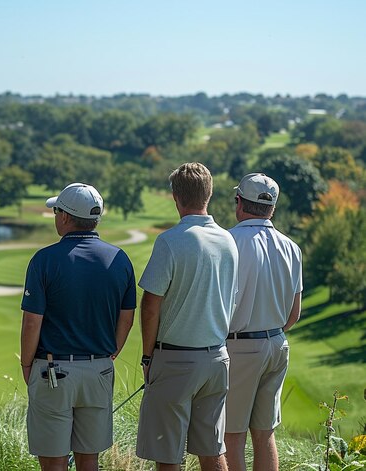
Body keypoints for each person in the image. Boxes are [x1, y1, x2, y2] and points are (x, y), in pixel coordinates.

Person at [20, 182, 136, 471]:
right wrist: (112, 353)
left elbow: (32, 322)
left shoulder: (44, 260)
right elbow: (127, 316)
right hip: (99, 369)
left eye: (56, 210)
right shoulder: (119, 259)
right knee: (89, 460)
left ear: (65, 217)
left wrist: (26, 364)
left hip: (53, 372)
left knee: (54, 461)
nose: (55, 215)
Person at [136, 162, 238, 471]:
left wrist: (146, 356)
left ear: (175, 197)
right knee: (211, 450)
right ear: (209, 194)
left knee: (168, 454)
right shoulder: (228, 241)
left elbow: (151, 304)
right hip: (217, 358)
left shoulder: (170, 241)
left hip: (176, 360)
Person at [224, 173, 303, 471]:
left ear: (239, 202)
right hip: (277, 344)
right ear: (272, 208)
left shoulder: (229, 241)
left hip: (240, 347)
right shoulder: (291, 247)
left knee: (231, 435)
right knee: (264, 433)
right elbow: (294, 313)